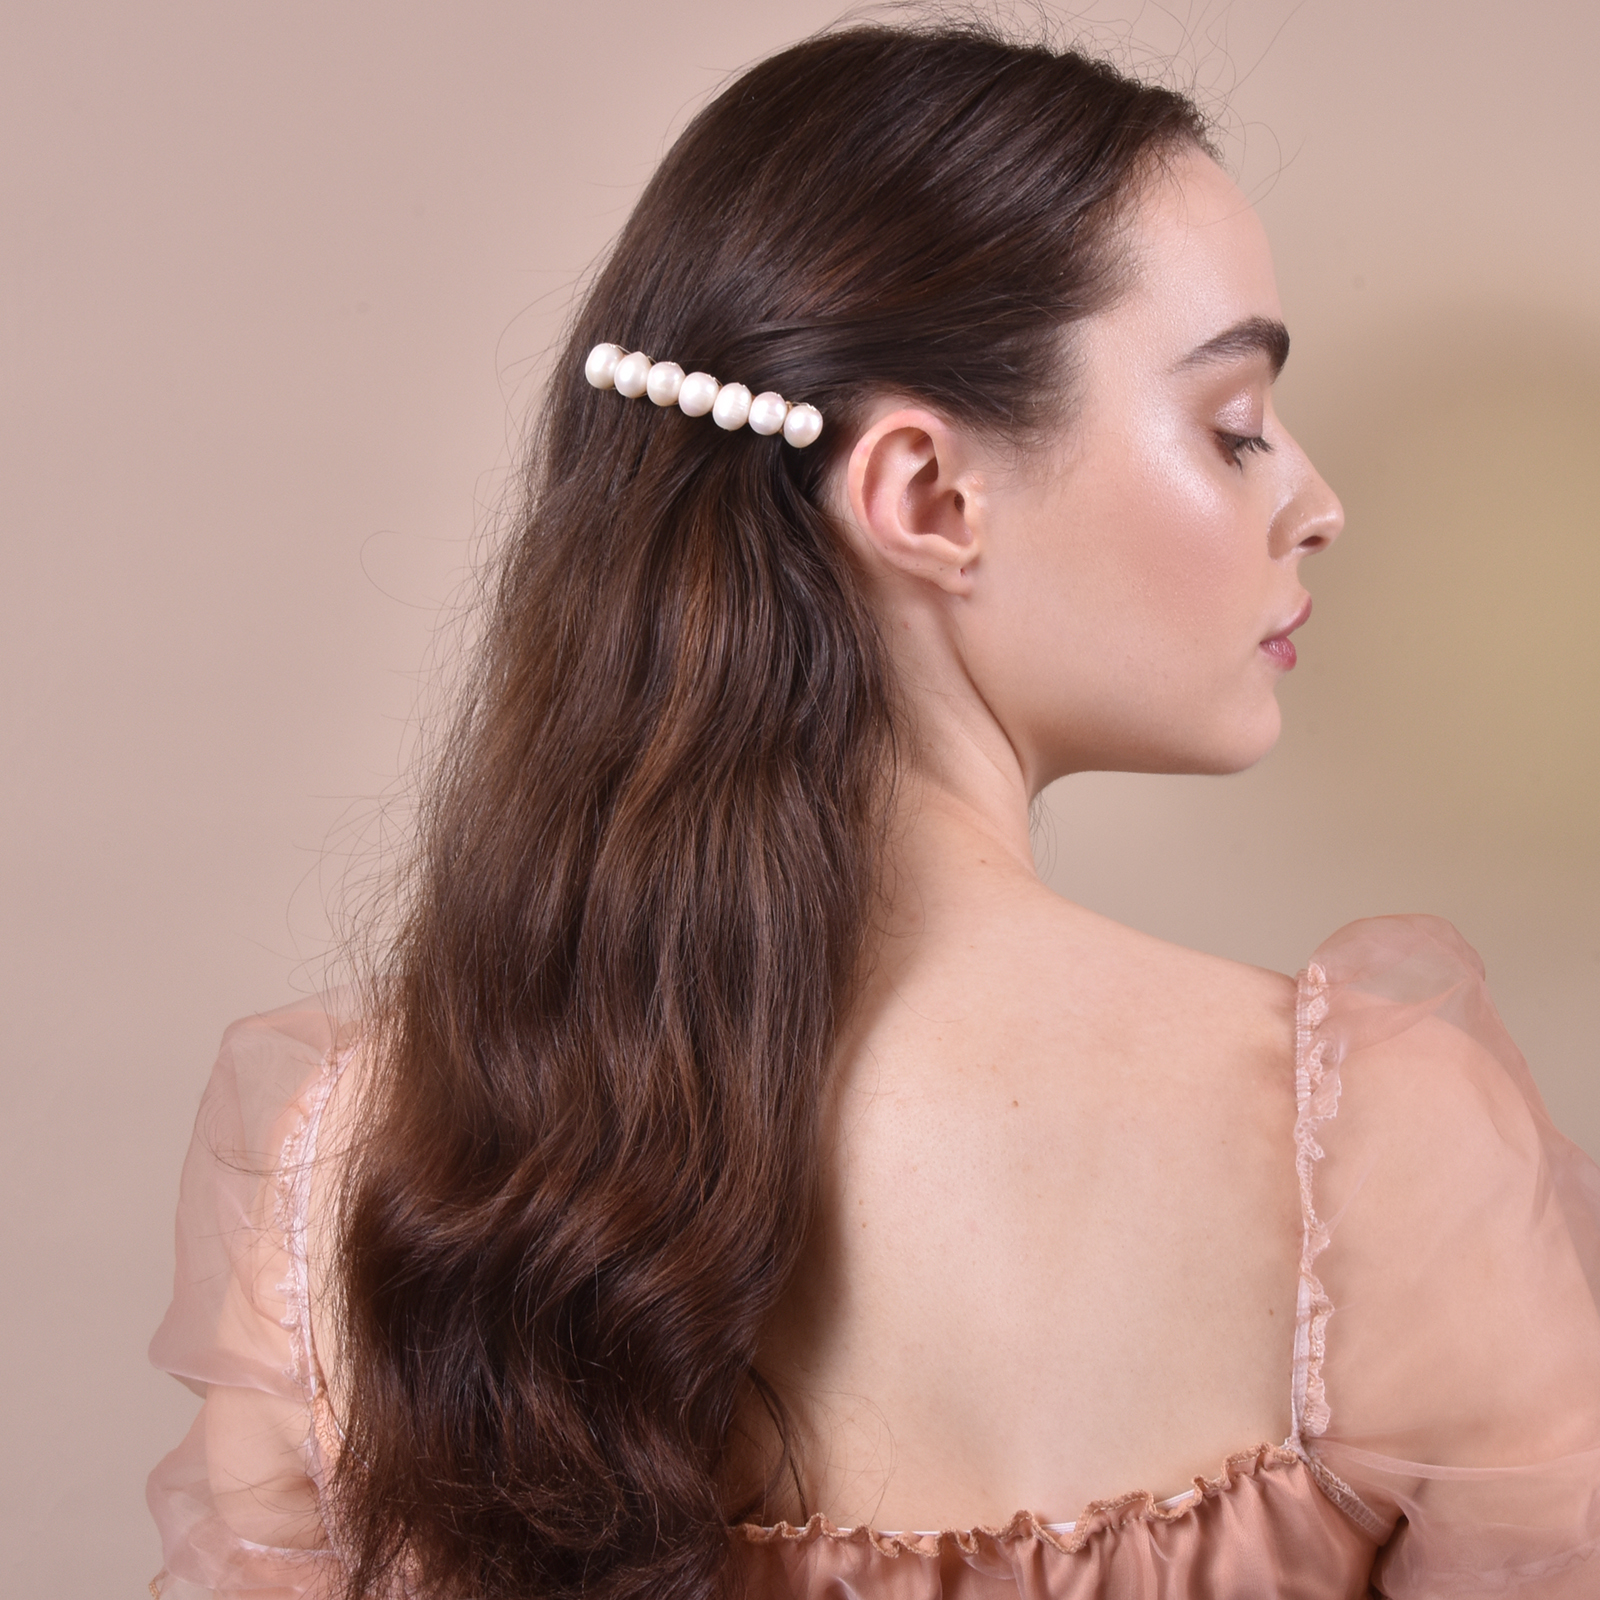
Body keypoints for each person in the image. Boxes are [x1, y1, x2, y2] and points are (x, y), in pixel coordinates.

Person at [146, 21, 1600, 1600]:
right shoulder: (1375, 1160)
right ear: (925, 496)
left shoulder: (350, 1186)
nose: (1315, 502)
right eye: (1234, 424)